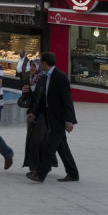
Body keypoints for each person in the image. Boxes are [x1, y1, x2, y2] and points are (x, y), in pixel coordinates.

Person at [26, 52, 79, 183]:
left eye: (41, 62)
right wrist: (35, 114)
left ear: (44, 63)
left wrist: (69, 120)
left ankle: (40, 175)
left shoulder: (60, 77)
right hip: (51, 117)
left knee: (49, 147)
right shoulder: (45, 77)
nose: (39, 65)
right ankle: (73, 173)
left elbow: (67, 100)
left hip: (59, 119)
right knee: (62, 147)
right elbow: (44, 100)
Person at [21, 59, 57, 175]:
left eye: (34, 65)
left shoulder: (44, 79)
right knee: (32, 139)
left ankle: (38, 167)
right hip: (31, 112)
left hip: (42, 113)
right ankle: (35, 166)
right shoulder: (28, 79)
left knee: (38, 140)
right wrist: (24, 92)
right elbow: (27, 98)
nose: (31, 68)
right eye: (30, 65)